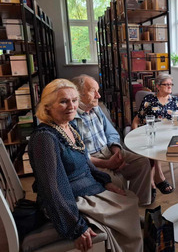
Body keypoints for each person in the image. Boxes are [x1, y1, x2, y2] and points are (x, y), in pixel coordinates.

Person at [28, 79, 143, 252]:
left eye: (74, 100)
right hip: (73, 199)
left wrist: (106, 182)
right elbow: (52, 188)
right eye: (63, 101)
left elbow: (86, 163)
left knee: (129, 200)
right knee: (127, 207)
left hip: (87, 190)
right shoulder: (44, 138)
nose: (71, 106)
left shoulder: (70, 126)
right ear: (47, 107)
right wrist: (76, 227)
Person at [71, 75, 152, 206]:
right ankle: (125, 209)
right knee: (116, 182)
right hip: (92, 160)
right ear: (79, 94)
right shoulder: (71, 118)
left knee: (142, 163)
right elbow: (80, 155)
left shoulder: (96, 108)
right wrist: (108, 164)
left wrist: (116, 152)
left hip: (108, 150)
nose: (99, 96)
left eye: (98, 90)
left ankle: (139, 204)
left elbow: (111, 132)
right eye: (93, 91)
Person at [131, 74, 178, 196]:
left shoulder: (176, 101)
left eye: (171, 84)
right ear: (158, 86)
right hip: (149, 133)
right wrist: (135, 135)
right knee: (153, 143)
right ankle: (159, 177)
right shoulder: (149, 99)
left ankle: (151, 181)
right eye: (166, 84)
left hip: (168, 135)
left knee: (157, 144)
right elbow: (137, 119)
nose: (170, 86)